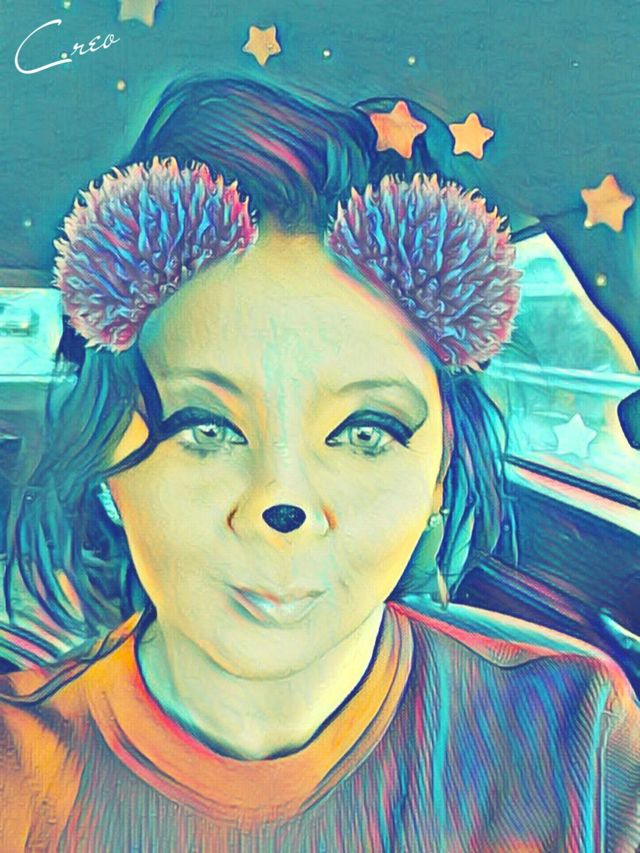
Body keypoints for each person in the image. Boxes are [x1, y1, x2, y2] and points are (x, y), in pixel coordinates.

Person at [0, 75, 638, 852]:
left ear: (440, 474)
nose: (282, 502)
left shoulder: (574, 738)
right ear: (109, 463)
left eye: (366, 431)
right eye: (205, 425)